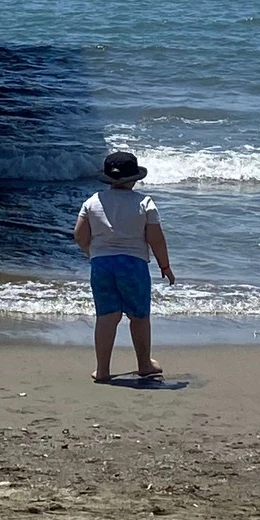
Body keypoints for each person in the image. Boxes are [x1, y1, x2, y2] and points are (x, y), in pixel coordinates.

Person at [74, 151, 175, 383]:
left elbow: (79, 234)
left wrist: (92, 252)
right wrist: (165, 265)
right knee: (138, 316)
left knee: (106, 316)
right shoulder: (144, 202)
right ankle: (144, 364)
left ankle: (102, 369)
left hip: (101, 265)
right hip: (133, 264)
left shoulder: (92, 201)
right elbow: (155, 238)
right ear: (134, 179)